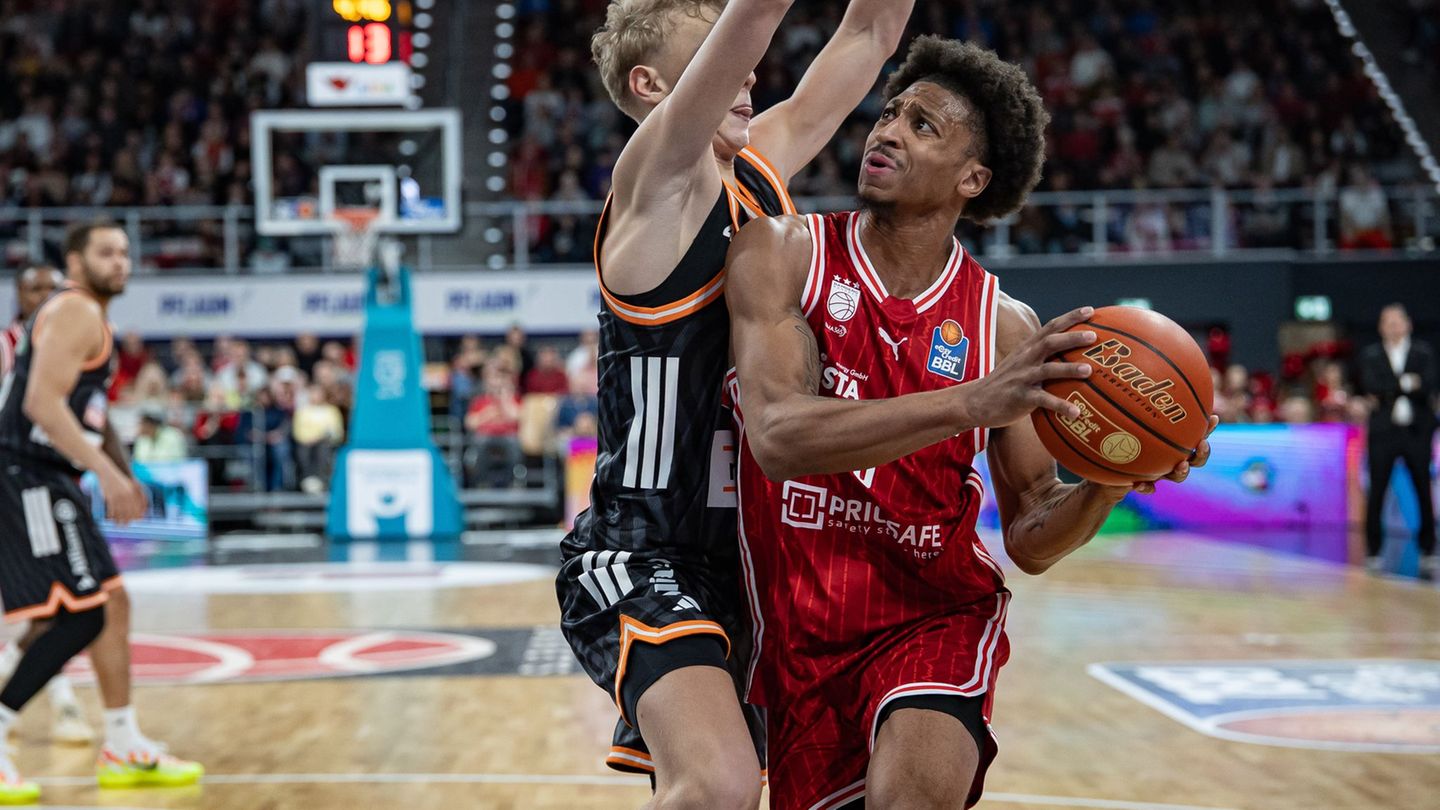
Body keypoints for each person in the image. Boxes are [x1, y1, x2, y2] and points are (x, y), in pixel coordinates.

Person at [726, 38, 1217, 808]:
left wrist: (1109, 482)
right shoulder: (784, 251)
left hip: (933, 613)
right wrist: (971, 403)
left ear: (972, 178)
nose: (886, 131)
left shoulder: (1004, 329)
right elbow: (778, 437)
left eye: (923, 126)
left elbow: (1029, 538)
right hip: (798, 637)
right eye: (889, 112)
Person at [555, 0, 914, 802]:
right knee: (716, 784)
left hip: (760, 557)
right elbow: (754, 17)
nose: (751, 74)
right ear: (652, 86)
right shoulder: (656, 185)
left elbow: (869, 35)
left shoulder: (760, 168)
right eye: (719, 56)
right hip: (648, 550)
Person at [0, 222, 203, 802]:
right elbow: (41, 404)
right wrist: (110, 475)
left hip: (51, 473)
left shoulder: (93, 318)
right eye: (105, 252)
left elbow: (88, 410)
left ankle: (122, 740)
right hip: (27, 474)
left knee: (112, 602)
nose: (120, 261)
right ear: (75, 261)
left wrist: (123, 469)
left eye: (124, 252)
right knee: (80, 615)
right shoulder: (76, 310)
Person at [0, 263, 94, 746]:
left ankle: (60, 703)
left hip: (42, 483)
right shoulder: (7, 345)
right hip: (18, 480)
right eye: (31, 288)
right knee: (59, 601)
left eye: (49, 288)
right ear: (17, 295)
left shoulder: (69, 345)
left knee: (55, 601)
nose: (41, 296)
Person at [1357, 304, 1437, 579]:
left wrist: (1391, 388)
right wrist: (1406, 384)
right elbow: (1371, 385)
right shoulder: (1371, 355)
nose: (1392, 326)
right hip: (1383, 432)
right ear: (1380, 327)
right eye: (1387, 322)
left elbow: (1428, 384)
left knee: (1422, 489)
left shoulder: (1423, 353)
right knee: (1377, 490)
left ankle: (1428, 549)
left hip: (1416, 431)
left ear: (1408, 324)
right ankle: (1373, 551)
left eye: (1397, 321)